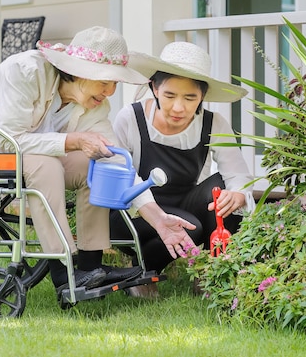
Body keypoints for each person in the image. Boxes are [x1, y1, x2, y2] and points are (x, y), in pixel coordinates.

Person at [0, 26, 197, 299]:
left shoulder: (94, 105)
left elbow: (117, 161)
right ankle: (63, 271)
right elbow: (10, 139)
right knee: (47, 163)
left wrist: (157, 218)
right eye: (105, 81)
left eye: (115, 84)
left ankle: (90, 265)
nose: (110, 91)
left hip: (27, 155)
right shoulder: (26, 70)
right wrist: (73, 141)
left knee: (99, 165)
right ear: (79, 72)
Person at [110, 41, 256, 295]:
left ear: (203, 96)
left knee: (223, 189)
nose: (179, 107)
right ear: (154, 88)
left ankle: (214, 273)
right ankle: (143, 271)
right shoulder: (130, 118)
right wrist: (155, 214)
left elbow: (237, 173)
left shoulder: (213, 123)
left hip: (183, 203)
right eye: (170, 96)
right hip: (133, 213)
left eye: (190, 98)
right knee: (191, 227)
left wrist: (238, 194)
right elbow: (118, 177)